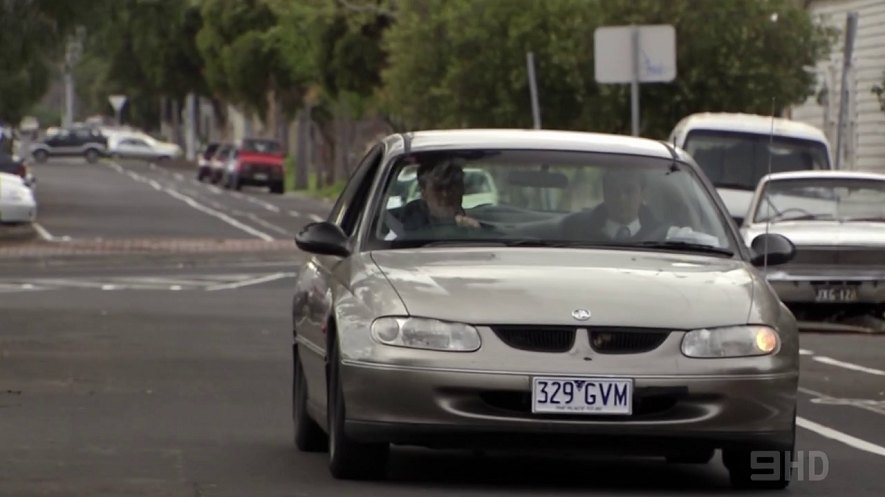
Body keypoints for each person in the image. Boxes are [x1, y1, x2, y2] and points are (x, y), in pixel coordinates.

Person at [561, 168, 663, 242]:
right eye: (613, 190)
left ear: (643, 194)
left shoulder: (662, 235)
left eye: (629, 191)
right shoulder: (576, 231)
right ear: (604, 193)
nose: (621, 198)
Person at [398, 158, 481, 232]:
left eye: (450, 187)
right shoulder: (409, 232)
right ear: (424, 193)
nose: (445, 194)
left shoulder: (481, 225)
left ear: (462, 189)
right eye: (438, 188)